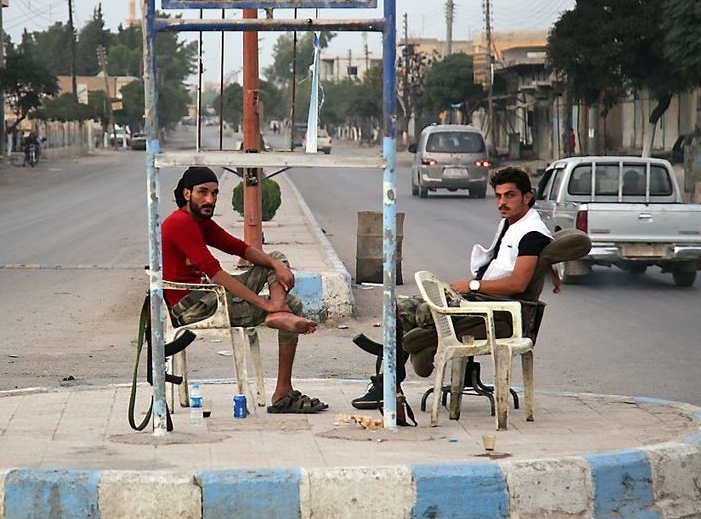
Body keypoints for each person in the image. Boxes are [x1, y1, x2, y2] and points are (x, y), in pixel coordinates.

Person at [352, 166, 557, 409]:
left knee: (404, 313)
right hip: (481, 301)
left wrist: (471, 285)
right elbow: (527, 261)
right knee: (402, 309)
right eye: (499, 196)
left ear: (527, 197)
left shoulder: (531, 233)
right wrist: (549, 266)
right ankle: (391, 374)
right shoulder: (514, 223)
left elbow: (519, 282)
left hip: (492, 309)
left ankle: (387, 382)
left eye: (510, 195)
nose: (502, 202)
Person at [162, 167, 327, 413]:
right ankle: (282, 381)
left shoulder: (201, 222)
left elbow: (239, 248)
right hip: (193, 308)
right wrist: (264, 304)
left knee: (276, 258)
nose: (210, 200)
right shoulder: (179, 223)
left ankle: (279, 312)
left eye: (215, 193)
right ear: (187, 194)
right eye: (203, 192)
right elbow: (215, 272)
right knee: (293, 305)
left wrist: (274, 264)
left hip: (208, 298)